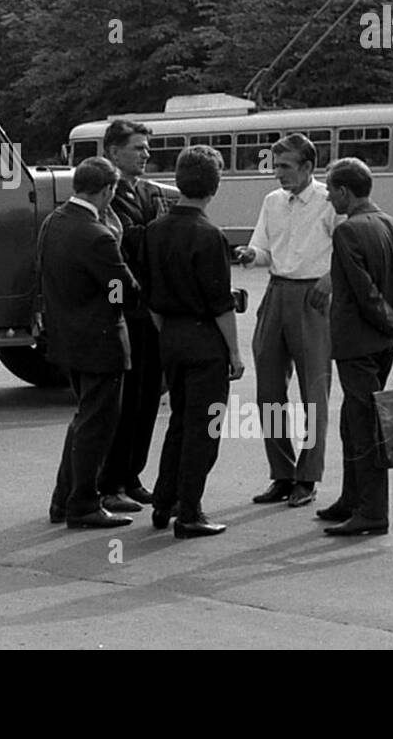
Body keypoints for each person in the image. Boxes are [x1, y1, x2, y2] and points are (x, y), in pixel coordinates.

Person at [140, 145, 243, 539]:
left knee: (179, 423)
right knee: (205, 428)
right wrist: (233, 353)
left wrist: (169, 330)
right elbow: (220, 304)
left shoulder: (154, 230)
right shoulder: (209, 235)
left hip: (171, 336)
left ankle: (164, 502)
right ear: (214, 186)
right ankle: (190, 511)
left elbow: (149, 296)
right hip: (204, 341)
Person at [318, 157, 393, 537]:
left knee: (365, 427)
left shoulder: (348, 232)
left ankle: (372, 511)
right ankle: (352, 498)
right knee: (353, 420)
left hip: (357, 342)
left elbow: (365, 293)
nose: (328, 197)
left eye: (330, 190)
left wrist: (390, 323)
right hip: (382, 347)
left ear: (345, 191)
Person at [236, 133, 338, 510]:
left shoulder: (330, 201)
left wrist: (331, 279)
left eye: (286, 167)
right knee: (268, 392)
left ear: (309, 167)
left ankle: (308, 476)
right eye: (275, 166)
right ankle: (282, 472)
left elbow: (348, 246)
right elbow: (263, 249)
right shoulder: (273, 201)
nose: (278, 174)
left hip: (314, 297)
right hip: (277, 292)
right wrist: (251, 254)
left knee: (314, 392)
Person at [42, 157, 141, 530]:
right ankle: (83, 503)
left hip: (67, 337)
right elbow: (121, 292)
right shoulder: (97, 235)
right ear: (107, 190)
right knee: (96, 425)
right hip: (100, 341)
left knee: (83, 420)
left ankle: (64, 499)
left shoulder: (55, 222)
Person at [96, 120, 169, 514]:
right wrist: (154, 232)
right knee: (124, 402)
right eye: (137, 147)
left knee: (146, 400)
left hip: (151, 308)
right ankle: (110, 481)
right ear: (113, 151)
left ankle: (132, 475)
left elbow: (149, 236)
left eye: (145, 148)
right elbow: (132, 241)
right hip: (126, 308)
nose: (145, 154)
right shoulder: (107, 193)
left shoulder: (148, 191)